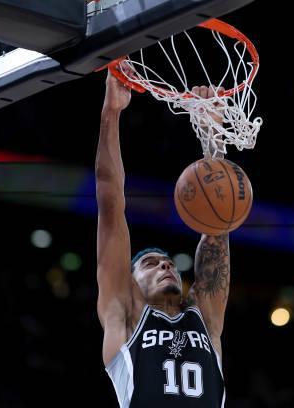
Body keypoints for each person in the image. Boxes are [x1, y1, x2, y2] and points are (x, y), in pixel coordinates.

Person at [95, 67, 230, 407]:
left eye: (168, 263)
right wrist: (111, 112)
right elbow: (111, 205)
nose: (166, 266)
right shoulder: (124, 318)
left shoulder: (204, 320)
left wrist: (213, 138)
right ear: (129, 282)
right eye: (150, 264)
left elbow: (216, 227)